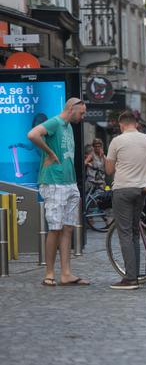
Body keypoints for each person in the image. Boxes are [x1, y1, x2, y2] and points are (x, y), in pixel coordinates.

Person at [27, 98, 90, 287]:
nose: (83, 116)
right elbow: (33, 134)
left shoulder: (68, 126)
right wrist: (49, 152)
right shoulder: (55, 122)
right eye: (81, 113)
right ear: (71, 109)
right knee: (55, 228)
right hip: (54, 182)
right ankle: (49, 273)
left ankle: (66, 273)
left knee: (68, 228)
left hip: (69, 182)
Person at [105, 111, 146, 290]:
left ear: (121, 124)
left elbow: (109, 170)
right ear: (136, 124)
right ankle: (135, 274)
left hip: (122, 189)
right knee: (135, 232)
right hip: (140, 189)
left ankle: (130, 278)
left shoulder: (117, 141)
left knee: (125, 233)